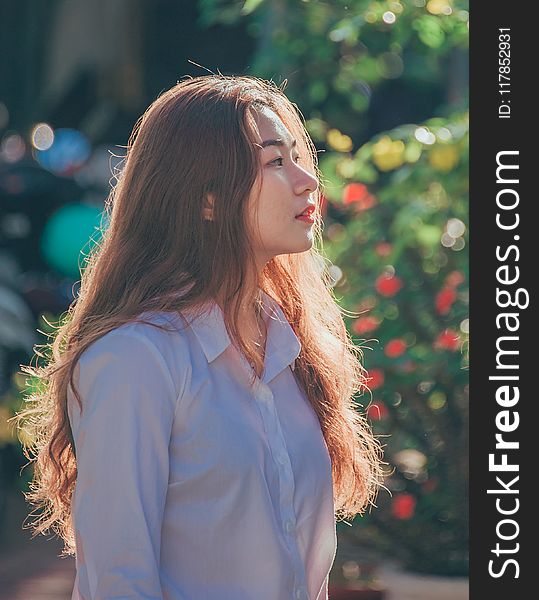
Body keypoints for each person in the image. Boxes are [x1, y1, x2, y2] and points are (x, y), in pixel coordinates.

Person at [16, 75, 383, 600]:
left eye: (299, 157)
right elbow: (118, 582)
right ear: (207, 200)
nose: (307, 180)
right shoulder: (135, 359)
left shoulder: (290, 347)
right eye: (275, 162)